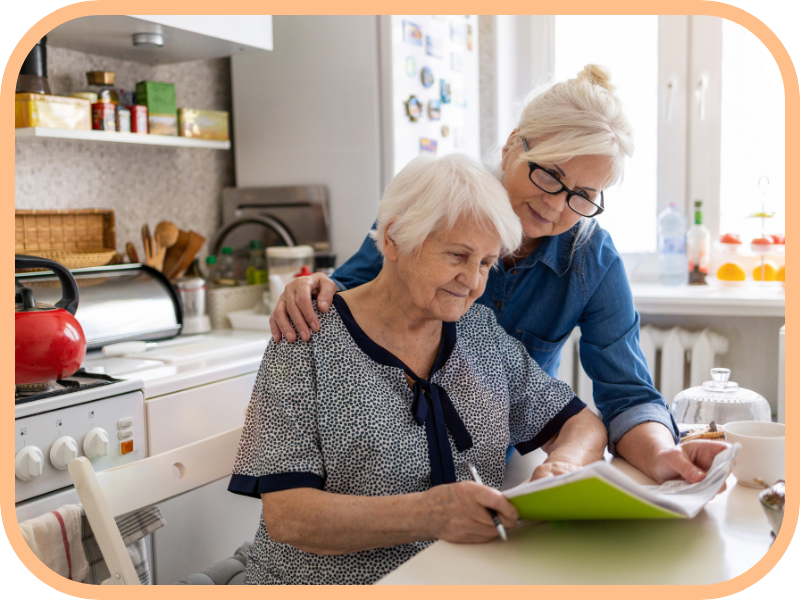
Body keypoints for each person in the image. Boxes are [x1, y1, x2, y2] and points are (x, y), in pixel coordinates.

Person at [269, 64, 728, 485]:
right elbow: (351, 296)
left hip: (496, 464)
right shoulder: (436, 206)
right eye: (550, 174)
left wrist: (664, 454)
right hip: (385, 465)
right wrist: (312, 287)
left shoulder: (592, 259)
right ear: (512, 146)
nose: (554, 204)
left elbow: (627, 395)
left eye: (582, 194)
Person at [229, 154, 608, 584]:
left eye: (485, 263)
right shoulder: (306, 337)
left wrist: (565, 467)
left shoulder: (479, 332)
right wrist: (430, 515)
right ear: (393, 240)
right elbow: (289, 516)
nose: (472, 281)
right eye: (457, 255)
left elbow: (582, 424)